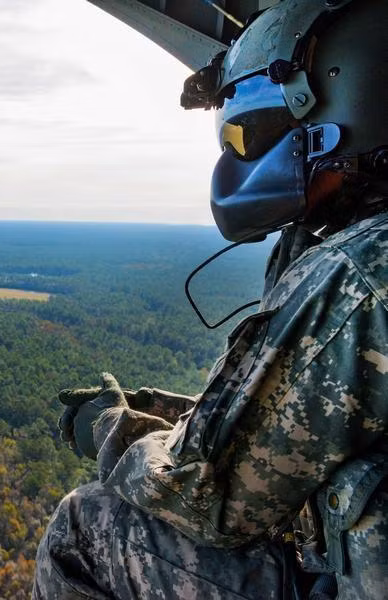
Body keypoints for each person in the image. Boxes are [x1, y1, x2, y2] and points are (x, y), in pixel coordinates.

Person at [33, 0, 388, 598]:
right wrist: (172, 414)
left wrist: (111, 429)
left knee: (85, 526)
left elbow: (210, 501)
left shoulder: (358, 273)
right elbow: (301, 427)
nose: (239, 155)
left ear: (346, 104)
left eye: (252, 131)